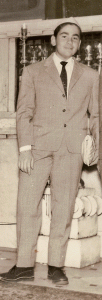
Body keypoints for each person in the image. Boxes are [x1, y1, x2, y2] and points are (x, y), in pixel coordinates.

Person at [0, 17, 99, 285]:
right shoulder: (32, 72)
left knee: (63, 208)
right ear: (53, 40)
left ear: (80, 44)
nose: (70, 41)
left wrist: (94, 149)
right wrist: (24, 149)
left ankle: (56, 265)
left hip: (71, 151)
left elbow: (96, 116)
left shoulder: (91, 75)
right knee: (26, 207)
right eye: (64, 36)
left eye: (76, 37)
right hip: (38, 149)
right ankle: (23, 266)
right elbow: (24, 113)